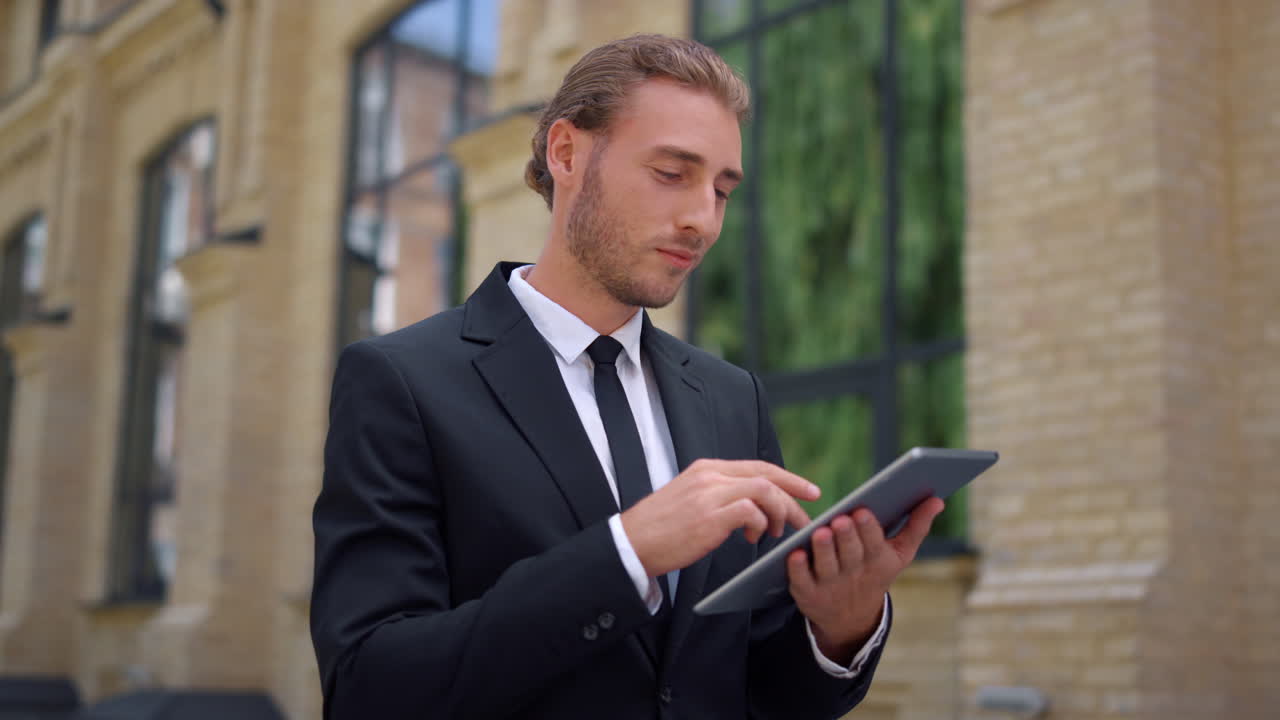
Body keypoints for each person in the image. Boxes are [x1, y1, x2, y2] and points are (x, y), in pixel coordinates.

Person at [310, 33, 944, 719]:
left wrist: (837, 627)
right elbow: (369, 686)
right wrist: (626, 553)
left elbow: (759, 690)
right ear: (567, 154)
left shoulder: (732, 398)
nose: (702, 219)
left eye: (723, 190)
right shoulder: (401, 381)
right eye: (672, 173)